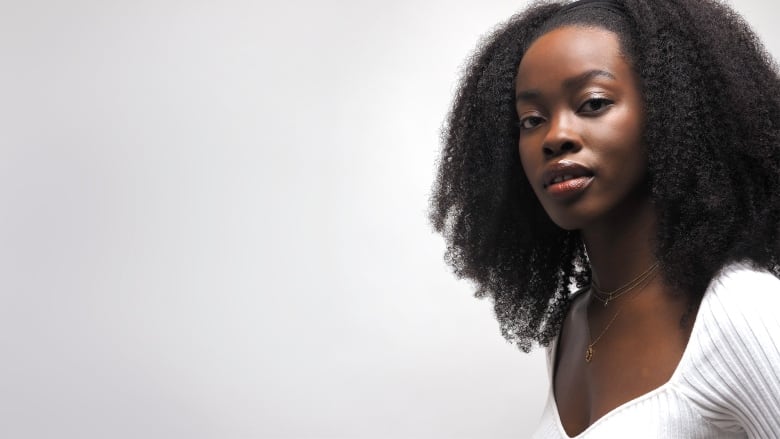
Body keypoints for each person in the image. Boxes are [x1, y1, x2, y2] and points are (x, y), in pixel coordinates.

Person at [429, 0, 780, 437]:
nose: (555, 136)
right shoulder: (572, 324)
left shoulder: (741, 308)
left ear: (672, 111)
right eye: (531, 119)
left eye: (593, 103)